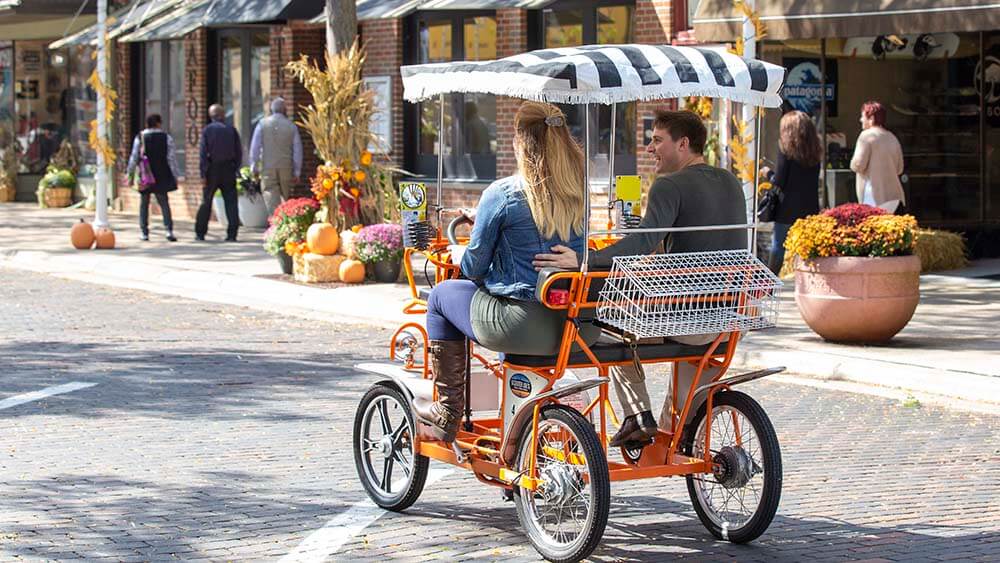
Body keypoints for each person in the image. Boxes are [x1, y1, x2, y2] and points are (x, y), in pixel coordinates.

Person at [532, 109, 746, 447]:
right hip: (728, 317)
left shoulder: (669, 185)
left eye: (657, 140)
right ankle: (674, 436)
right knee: (684, 404)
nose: (649, 148)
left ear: (683, 144)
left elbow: (642, 241)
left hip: (687, 320)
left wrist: (586, 259)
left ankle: (636, 415)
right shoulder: (731, 181)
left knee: (609, 326)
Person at [414, 102, 598, 443]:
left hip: (522, 326)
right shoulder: (578, 191)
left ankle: (448, 412)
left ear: (519, 142)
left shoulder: (501, 194)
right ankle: (519, 426)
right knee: (500, 305)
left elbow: (473, 268)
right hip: (576, 329)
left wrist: (460, 250)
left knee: (440, 297)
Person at [764, 110, 821, 274]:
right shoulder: (815, 150)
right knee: (808, 247)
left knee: (778, 246)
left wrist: (767, 173)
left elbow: (779, 181)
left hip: (787, 209)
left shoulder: (786, 149)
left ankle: (769, 284)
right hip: (810, 208)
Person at [127, 114, 178, 242]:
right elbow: (171, 158)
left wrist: (130, 174)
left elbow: (134, 157)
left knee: (144, 203)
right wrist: (175, 175)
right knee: (164, 203)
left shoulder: (141, 137)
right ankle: (168, 230)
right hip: (162, 174)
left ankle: (144, 232)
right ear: (159, 123)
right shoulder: (167, 138)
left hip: (145, 175)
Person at [195, 104, 242, 242]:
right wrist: (235, 167)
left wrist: (203, 174)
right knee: (231, 202)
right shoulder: (231, 130)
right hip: (228, 168)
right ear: (223, 115)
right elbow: (238, 152)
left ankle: (200, 233)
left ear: (211, 116)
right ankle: (232, 234)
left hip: (212, 169)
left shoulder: (207, 130)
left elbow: (203, 154)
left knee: (206, 201)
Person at [249, 97, 303, 215]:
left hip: (268, 166)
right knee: (286, 198)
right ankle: (285, 223)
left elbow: (255, 147)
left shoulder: (262, 124)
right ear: (284, 110)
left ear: (271, 109)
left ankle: (275, 222)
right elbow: (297, 150)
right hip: (286, 166)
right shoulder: (291, 126)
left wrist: (254, 166)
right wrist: (297, 171)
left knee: (269, 193)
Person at [850, 100, 905, 213]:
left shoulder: (866, 136)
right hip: (894, 197)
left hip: (872, 195)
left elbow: (858, 165)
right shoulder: (892, 137)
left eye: (863, 116)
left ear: (871, 119)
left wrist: (851, 163)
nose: (860, 120)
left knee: (872, 228)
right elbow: (900, 169)